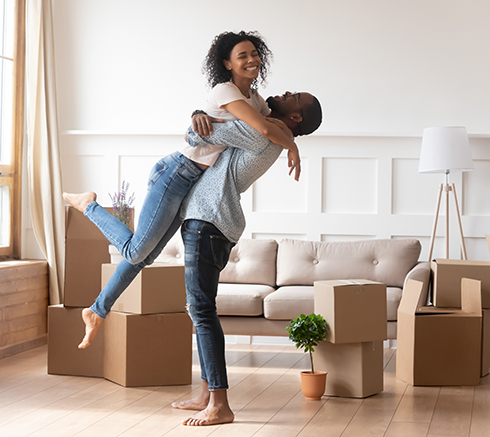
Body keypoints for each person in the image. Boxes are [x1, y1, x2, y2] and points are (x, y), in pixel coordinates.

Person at [62, 30, 301, 349]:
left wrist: (284, 135)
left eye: (255, 53)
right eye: (242, 55)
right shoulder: (224, 90)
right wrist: (293, 148)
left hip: (192, 184)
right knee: (136, 251)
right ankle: (89, 204)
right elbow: (261, 131)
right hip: (176, 172)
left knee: (143, 257)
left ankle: (96, 311)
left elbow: (273, 124)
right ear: (227, 64)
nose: (251, 59)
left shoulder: (255, 100)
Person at [173, 91, 323, 426]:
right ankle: (206, 394)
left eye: (292, 97)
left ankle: (220, 404)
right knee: (199, 308)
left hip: (208, 222)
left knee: (201, 310)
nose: (283, 93)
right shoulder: (270, 131)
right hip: (210, 222)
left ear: (296, 118)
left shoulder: (262, 132)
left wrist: (200, 116)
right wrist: (202, 113)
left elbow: (199, 133)